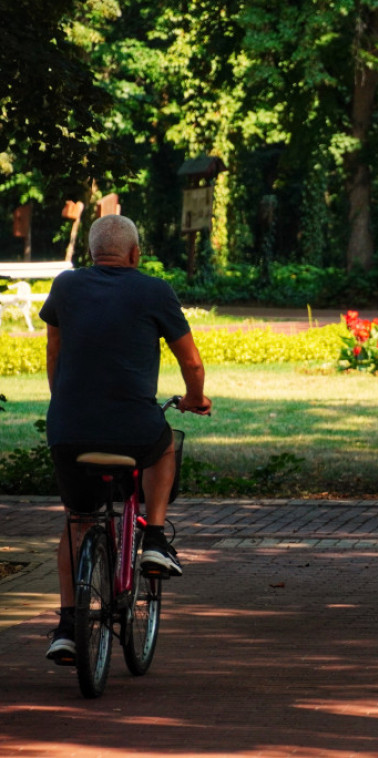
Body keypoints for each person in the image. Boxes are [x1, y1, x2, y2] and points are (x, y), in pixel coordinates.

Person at [39, 214, 212, 664]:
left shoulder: (66, 286)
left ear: (91, 254)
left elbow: (54, 351)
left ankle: (65, 628)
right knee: (164, 444)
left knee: (78, 520)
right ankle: (154, 538)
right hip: (134, 430)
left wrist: (69, 406)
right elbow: (191, 364)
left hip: (68, 429)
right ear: (135, 254)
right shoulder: (154, 290)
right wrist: (195, 398)